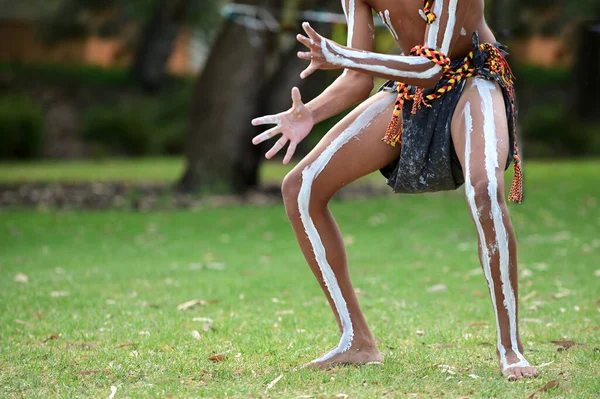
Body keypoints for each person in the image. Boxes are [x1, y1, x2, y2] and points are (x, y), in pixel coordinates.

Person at [251, 0, 539, 381]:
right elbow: (357, 78)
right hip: (411, 86)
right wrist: (311, 113)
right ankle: (355, 341)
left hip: (473, 79)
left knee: (484, 189)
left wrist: (340, 52)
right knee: (300, 187)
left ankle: (510, 347)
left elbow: (432, 66)